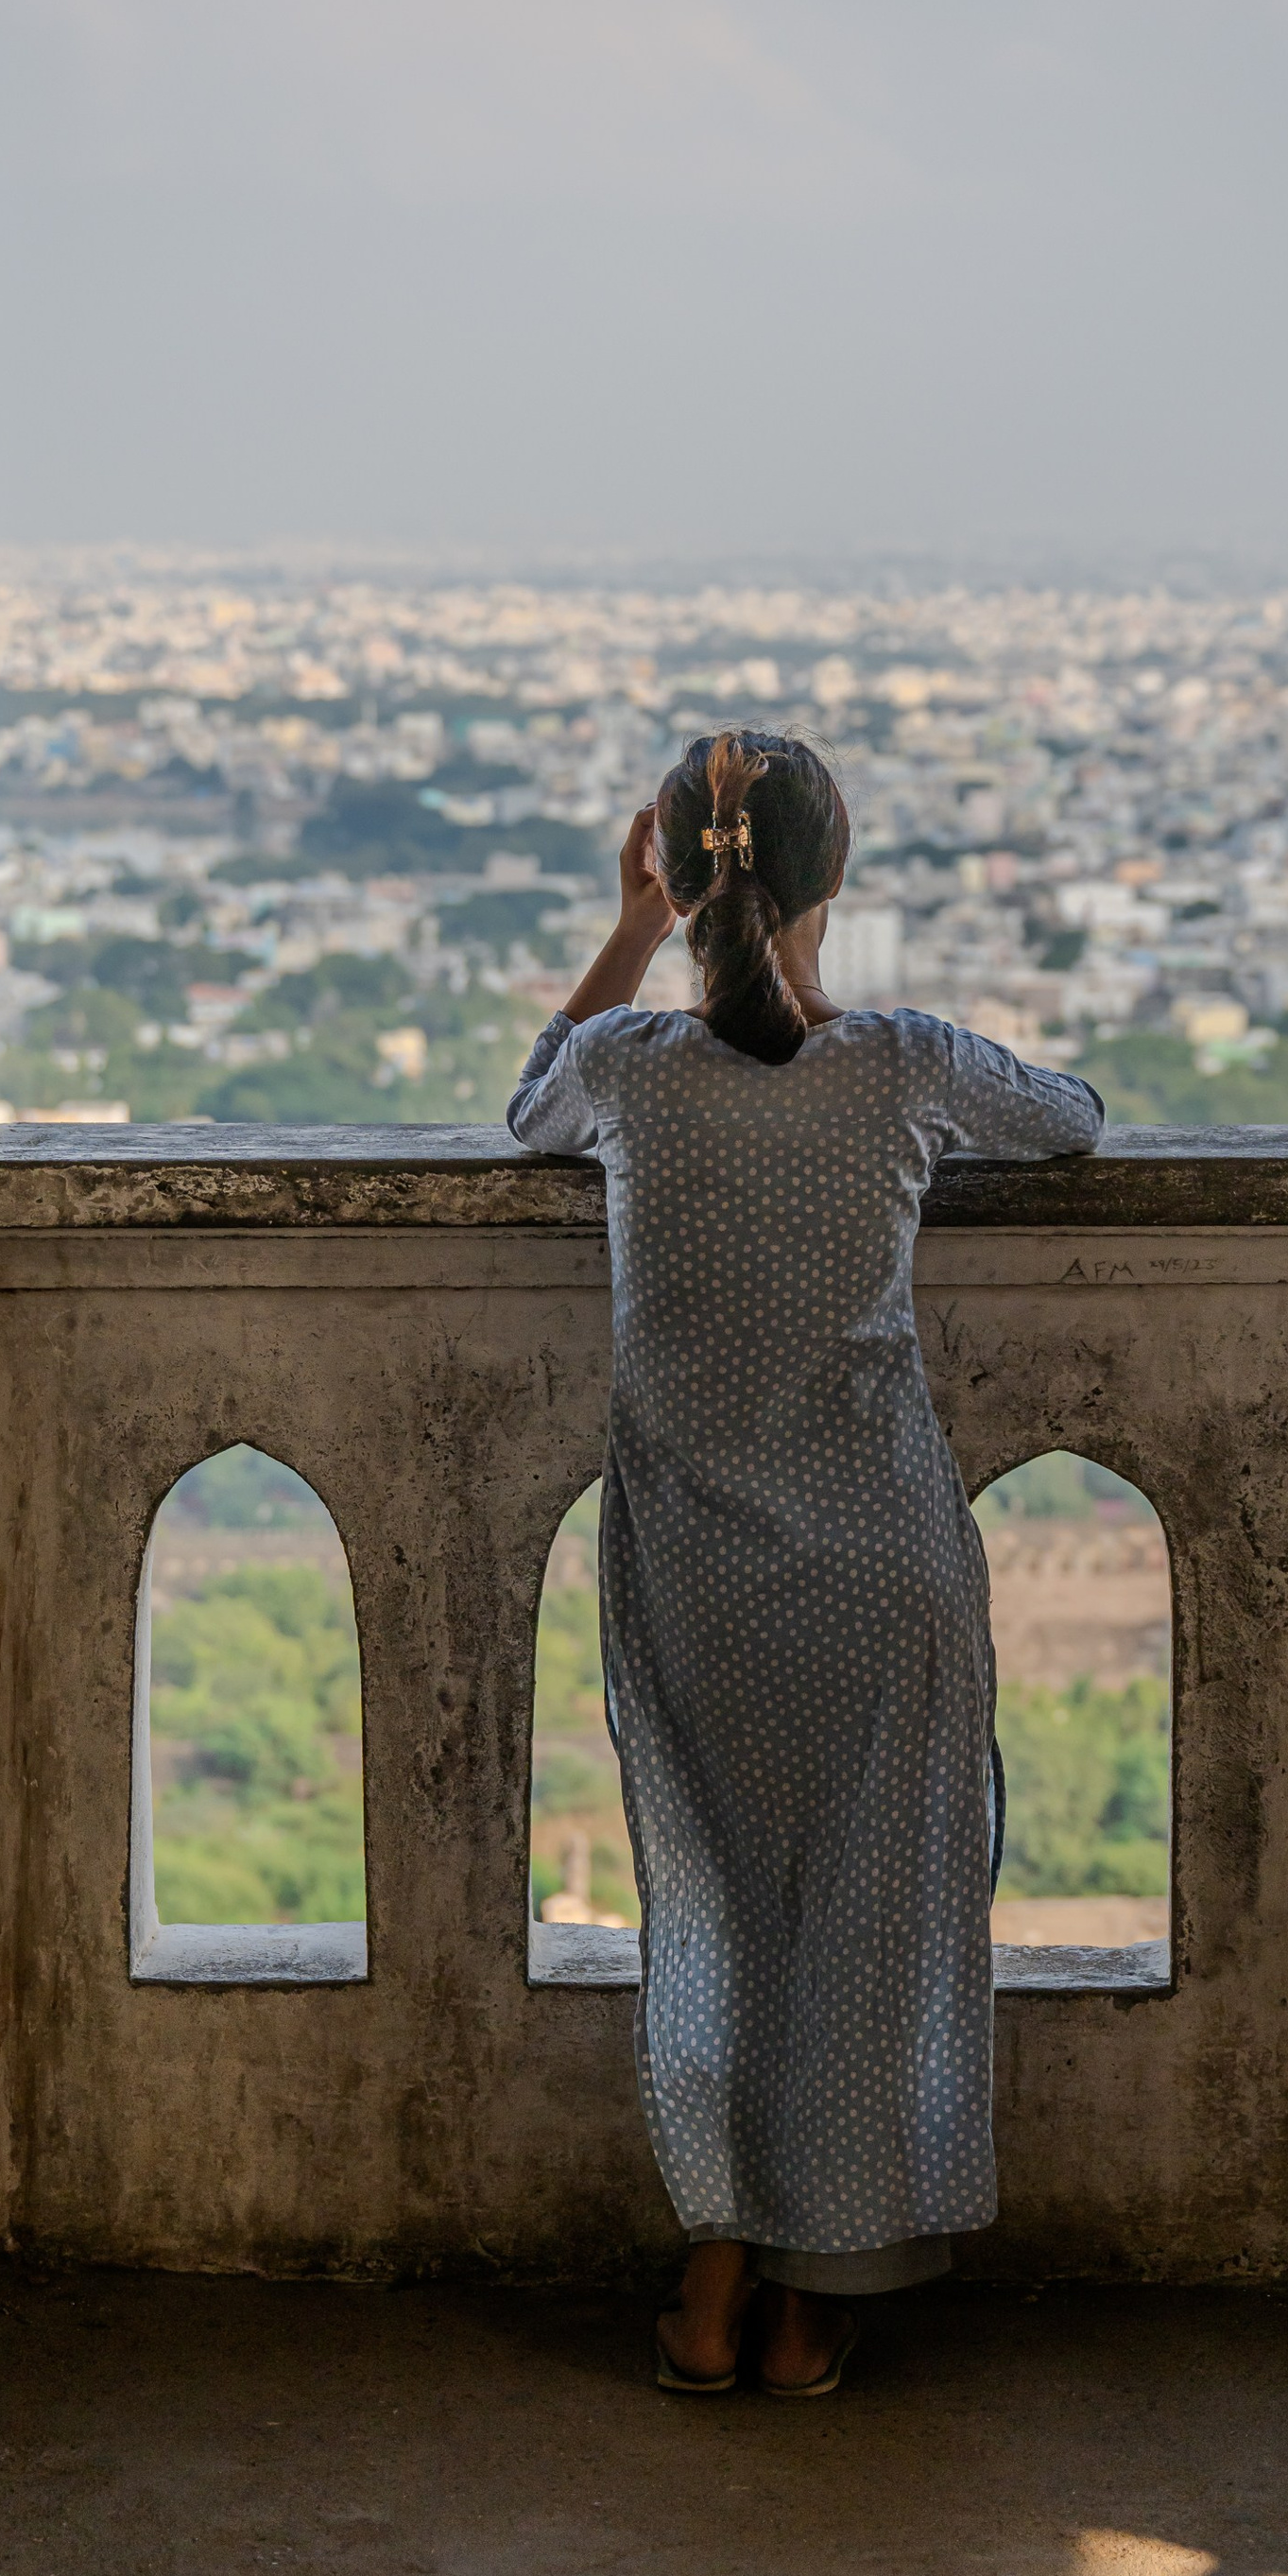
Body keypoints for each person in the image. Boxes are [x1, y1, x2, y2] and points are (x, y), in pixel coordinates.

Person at [507, 732, 1102, 2396]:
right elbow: (1074, 1126)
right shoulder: (902, 1066)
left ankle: (707, 2287)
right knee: (868, 1921)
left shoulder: (626, 1072)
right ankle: (808, 2311)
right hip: (881, 1568)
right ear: (833, 882)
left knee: (713, 1916)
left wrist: (628, 931)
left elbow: (523, 1105)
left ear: (681, 880)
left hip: (694, 1572)